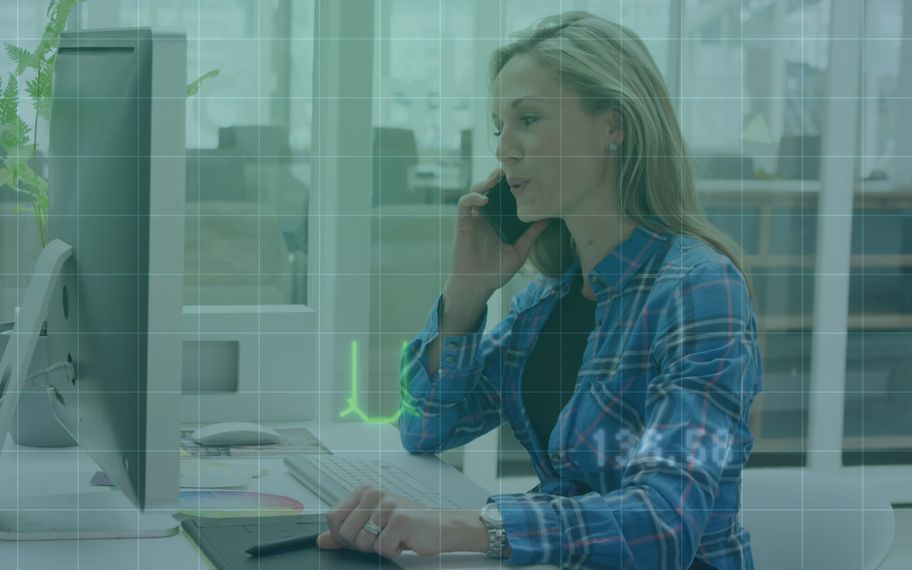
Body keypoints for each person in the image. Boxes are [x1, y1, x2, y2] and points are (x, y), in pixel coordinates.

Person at [317, 10, 764, 569]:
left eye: (528, 119)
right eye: (499, 126)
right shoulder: (549, 298)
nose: (504, 150)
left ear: (614, 125)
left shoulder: (698, 287)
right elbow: (426, 427)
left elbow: (663, 524)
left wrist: (463, 528)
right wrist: (465, 297)